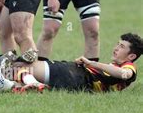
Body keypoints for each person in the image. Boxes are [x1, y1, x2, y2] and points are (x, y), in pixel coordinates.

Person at [11, 33, 142, 92]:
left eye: (122, 47)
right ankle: (30, 83)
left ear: (131, 56)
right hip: (75, 74)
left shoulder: (129, 67)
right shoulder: (114, 66)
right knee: (17, 69)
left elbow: (124, 74)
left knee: (21, 67)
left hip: (78, 78)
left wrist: (92, 63)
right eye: (117, 44)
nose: (116, 48)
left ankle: (28, 80)